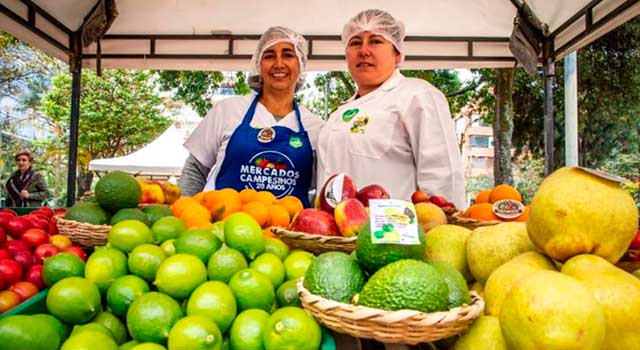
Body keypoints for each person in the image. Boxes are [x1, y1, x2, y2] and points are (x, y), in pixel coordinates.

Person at [316, 9, 465, 208]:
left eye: (376, 41)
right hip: (335, 235)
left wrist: (440, 228)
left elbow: (443, 176)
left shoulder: (417, 95)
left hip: (392, 234)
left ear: (397, 54)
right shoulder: (339, 114)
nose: (364, 51)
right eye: (355, 42)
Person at [180, 26, 324, 207]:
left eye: (288, 55)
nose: (279, 64)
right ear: (258, 64)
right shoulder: (228, 110)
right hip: (224, 229)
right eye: (269, 55)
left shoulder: (317, 128)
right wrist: (186, 212)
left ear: (301, 64)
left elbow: (320, 190)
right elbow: (195, 170)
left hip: (290, 233)